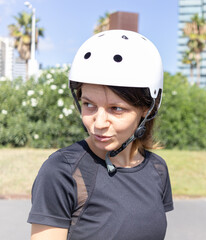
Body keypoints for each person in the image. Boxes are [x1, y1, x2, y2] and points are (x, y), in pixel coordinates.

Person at [27, 30, 174, 240]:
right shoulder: (61, 172)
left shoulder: (157, 170)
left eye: (116, 108)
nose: (99, 123)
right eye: (89, 105)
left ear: (147, 109)